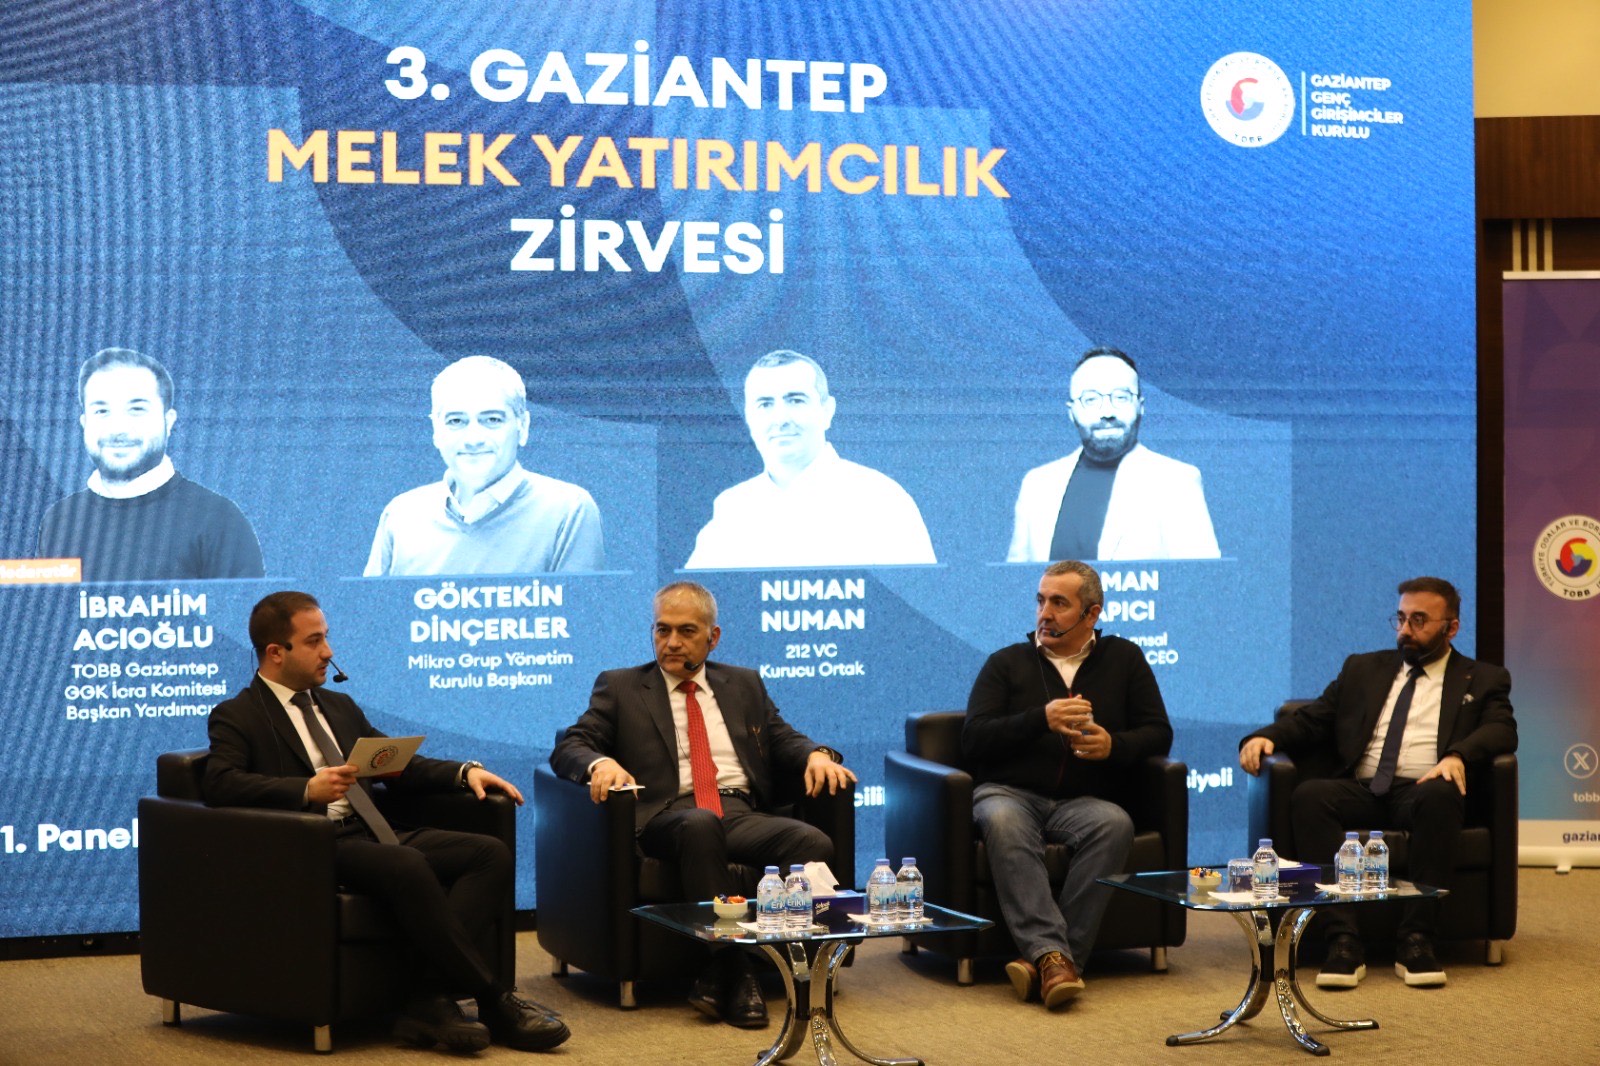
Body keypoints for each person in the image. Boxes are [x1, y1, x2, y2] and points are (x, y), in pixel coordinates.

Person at [205, 591, 570, 1053]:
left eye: (326, 638)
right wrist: (305, 790)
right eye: (314, 641)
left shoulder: (339, 707)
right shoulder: (238, 715)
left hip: (372, 831)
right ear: (276, 652)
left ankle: (426, 998)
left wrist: (463, 772)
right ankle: (493, 998)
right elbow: (221, 783)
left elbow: (396, 764)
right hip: (312, 846)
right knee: (406, 862)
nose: (328, 652)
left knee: (488, 853)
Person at [549, 581, 857, 1028]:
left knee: (811, 843)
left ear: (713, 637)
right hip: (666, 816)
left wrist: (816, 755)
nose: (671, 642)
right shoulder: (621, 687)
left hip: (738, 812)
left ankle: (730, 973)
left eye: (686, 631)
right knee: (699, 824)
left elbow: (781, 737)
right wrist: (600, 763)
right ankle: (738, 967)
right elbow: (572, 745)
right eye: (662, 630)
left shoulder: (743, 684)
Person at [1238, 577, 1517, 990]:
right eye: (1400, 618)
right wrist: (1266, 737)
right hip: (1363, 787)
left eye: (1419, 620)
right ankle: (1342, 939)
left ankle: (1417, 939)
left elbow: (1502, 729)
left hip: (1424, 788)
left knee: (1440, 794)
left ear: (1451, 628)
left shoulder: (1484, 678)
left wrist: (1458, 754)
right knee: (1311, 796)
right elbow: (1313, 718)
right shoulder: (1363, 668)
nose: (1405, 630)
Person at [962, 560, 1173, 1009]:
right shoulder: (1006, 663)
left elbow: (1158, 733)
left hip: (1083, 800)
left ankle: (1045, 960)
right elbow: (974, 738)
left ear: (1091, 613)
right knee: (1003, 821)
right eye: (1041, 601)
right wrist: (1039, 719)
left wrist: (1114, 745)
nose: (1045, 613)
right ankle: (1055, 960)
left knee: (1114, 824)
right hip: (1009, 793)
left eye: (1059, 603)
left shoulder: (1124, 659)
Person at [684, 350, 936, 568]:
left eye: (796, 400)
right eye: (765, 404)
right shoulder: (733, 509)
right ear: (749, 417)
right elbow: (692, 605)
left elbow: (915, 600)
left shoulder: (881, 499)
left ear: (827, 411)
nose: (780, 419)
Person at [37, 347, 265, 581]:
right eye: (101, 410)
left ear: (169, 421)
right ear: (84, 422)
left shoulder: (219, 519)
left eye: (137, 409)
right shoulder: (59, 521)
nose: (118, 428)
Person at [365, 355, 604, 576]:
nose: (473, 438)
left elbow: (579, 608)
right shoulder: (402, 516)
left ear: (522, 426)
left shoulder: (568, 510)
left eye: (492, 420)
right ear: (436, 431)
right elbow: (371, 608)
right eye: (456, 421)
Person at [1007, 347, 1219, 562]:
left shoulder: (1176, 482)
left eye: (1121, 397)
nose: (1107, 412)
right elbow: (1013, 578)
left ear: (1140, 406)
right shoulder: (1037, 486)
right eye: (1090, 399)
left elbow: (1201, 578)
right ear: (1071, 412)